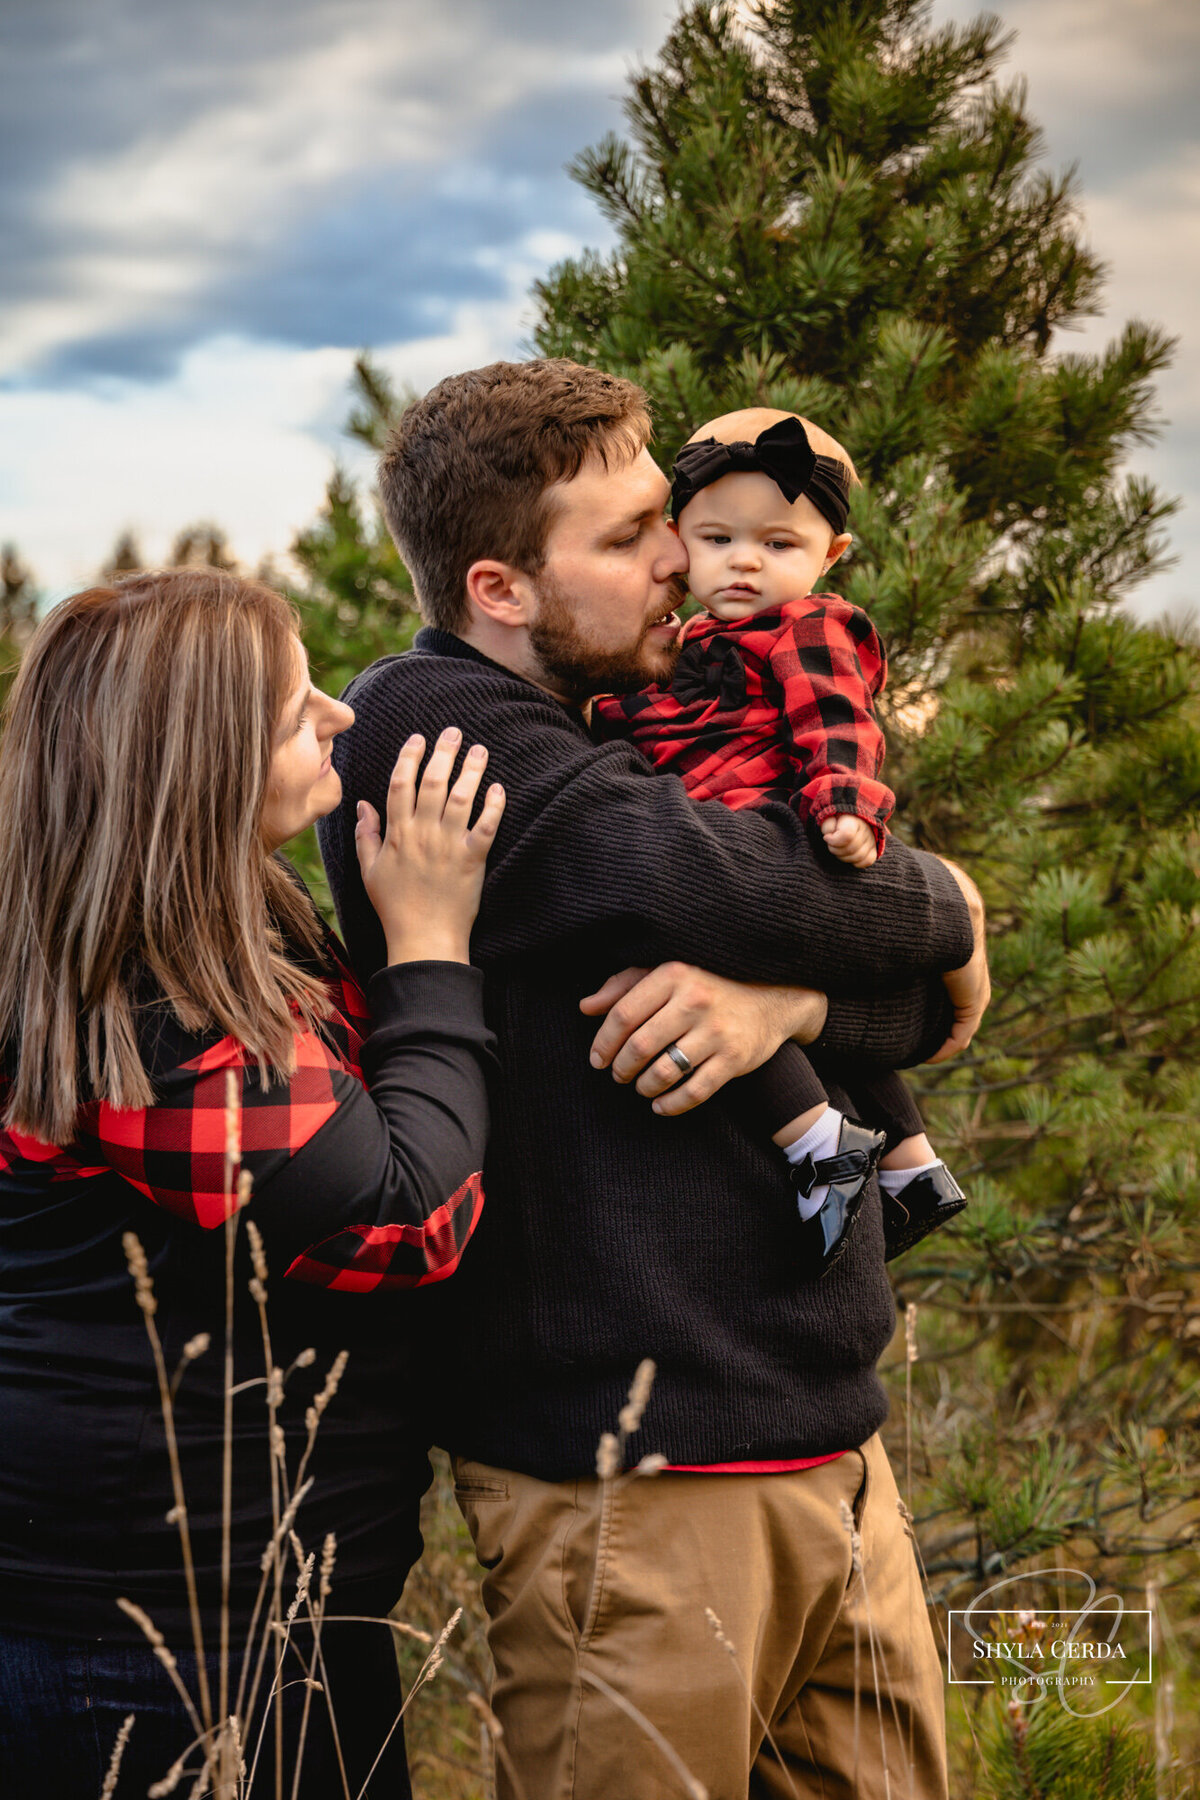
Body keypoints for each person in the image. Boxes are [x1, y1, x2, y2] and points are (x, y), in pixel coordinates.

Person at [319, 358, 990, 1800]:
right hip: (629, 1479)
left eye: (660, 516)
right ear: (499, 585)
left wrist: (799, 1001)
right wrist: (949, 913)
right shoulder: (434, 731)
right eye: (629, 539)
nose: (684, 557)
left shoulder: (652, 706)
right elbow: (748, 885)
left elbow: (828, 936)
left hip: (827, 1449)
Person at [0, 571, 504, 1799]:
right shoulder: (149, 998)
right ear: (202, 767)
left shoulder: (206, 928)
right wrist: (435, 951)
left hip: (235, 1610)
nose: (337, 716)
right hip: (163, 1645)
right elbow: (398, 1221)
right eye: (294, 713)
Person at [595, 406, 967, 1267]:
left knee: (703, 987)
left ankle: (817, 1143)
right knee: (792, 1003)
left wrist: (844, 805)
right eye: (718, 539)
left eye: (779, 545)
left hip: (779, 836)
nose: (746, 561)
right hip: (713, 839)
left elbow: (838, 722)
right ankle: (911, 1164)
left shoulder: (807, 627)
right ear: (678, 537)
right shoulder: (679, 643)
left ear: (829, 557)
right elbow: (633, 727)